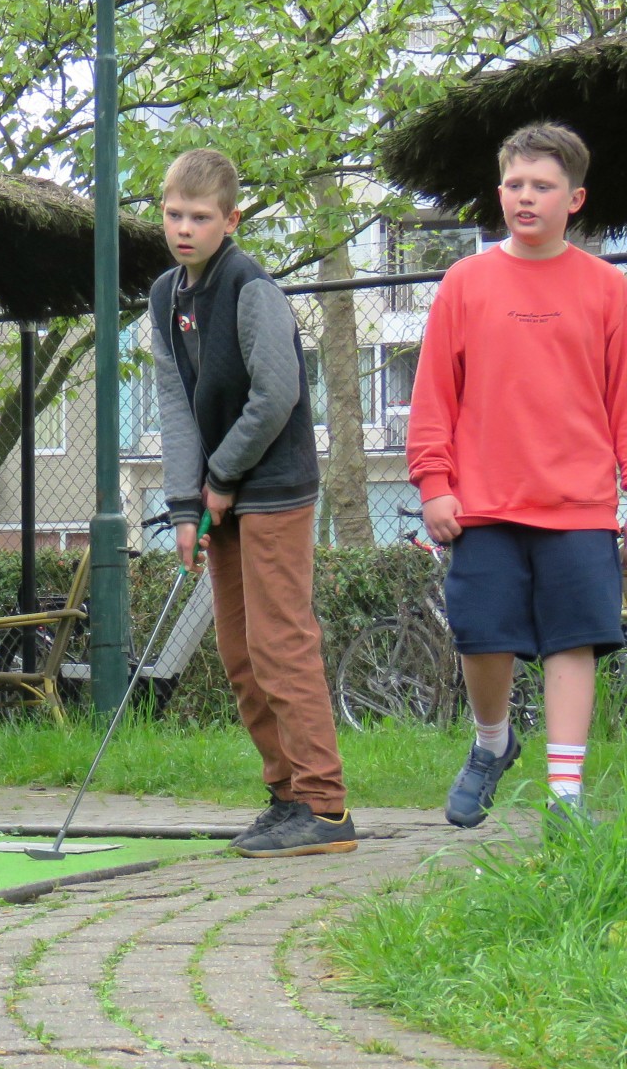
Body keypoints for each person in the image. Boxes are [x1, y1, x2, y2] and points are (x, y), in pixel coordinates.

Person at [407, 122, 627, 833]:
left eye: (543, 186)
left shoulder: (607, 290)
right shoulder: (465, 283)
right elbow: (434, 393)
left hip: (580, 506)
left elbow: (623, 398)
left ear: (575, 199)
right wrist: (434, 483)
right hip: (484, 504)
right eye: (514, 185)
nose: (525, 198)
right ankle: (493, 743)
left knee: (575, 640)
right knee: (481, 635)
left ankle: (566, 796)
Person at [152, 148, 356, 857]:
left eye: (200, 217)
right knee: (240, 653)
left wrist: (227, 474)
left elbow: (277, 396)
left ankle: (326, 809)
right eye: (174, 214)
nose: (184, 228)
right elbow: (176, 404)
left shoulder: (249, 288)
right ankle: (286, 796)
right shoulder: (165, 296)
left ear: (230, 220)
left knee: (280, 644)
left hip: (273, 487)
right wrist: (186, 506)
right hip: (219, 491)